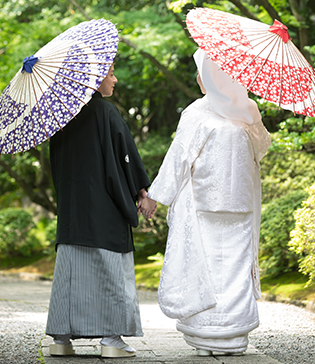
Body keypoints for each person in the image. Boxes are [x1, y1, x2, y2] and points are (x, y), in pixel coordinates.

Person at [144, 49, 271, 356]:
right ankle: (234, 338)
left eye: (202, 73)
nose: (199, 79)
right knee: (236, 269)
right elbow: (262, 147)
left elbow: (178, 159)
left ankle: (206, 339)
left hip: (205, 204)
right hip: (240, 204)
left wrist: (155, 197)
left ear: (209, 79)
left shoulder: (197, 113)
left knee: (206, 269)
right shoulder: (247, 109)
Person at [46, 63, 153, 358]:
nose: (114, 79)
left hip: (72, 212)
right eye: (110, 73)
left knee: (69, 273)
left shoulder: (60, 118)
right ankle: (111, 339)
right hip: (103, 209)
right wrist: (141, 191)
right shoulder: (106, 113)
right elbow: (125, 157)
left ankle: (60, 339)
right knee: (109, 273)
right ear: (94, 80)